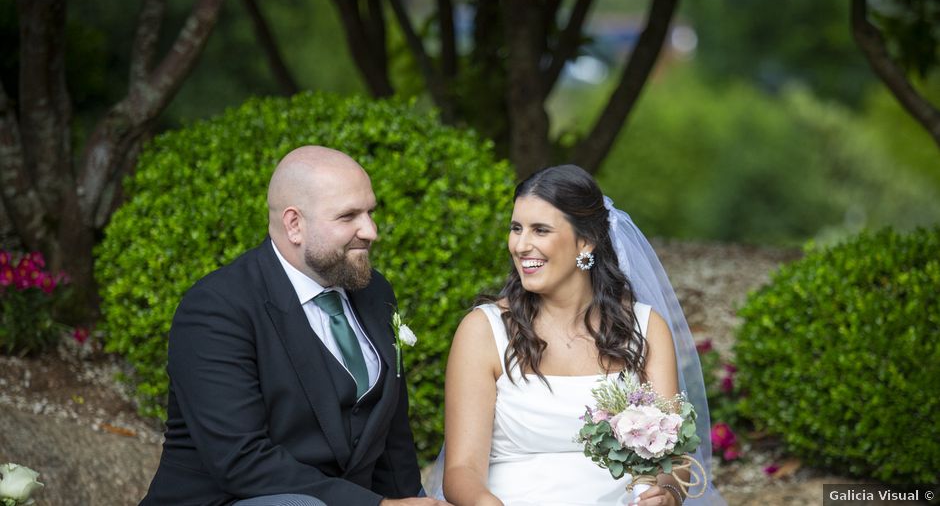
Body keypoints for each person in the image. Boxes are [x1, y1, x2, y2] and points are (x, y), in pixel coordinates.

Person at [141, 146, 450, 506]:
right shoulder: (217, 308)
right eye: (349, 216)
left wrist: (411, 498)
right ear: (294, 224)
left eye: (370, 212)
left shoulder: (374, 290)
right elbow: (242, 460)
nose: (371, 231)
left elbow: (389, 429)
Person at [437, 165, 723, 506]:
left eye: (540, 230)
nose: (521, 245)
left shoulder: (645, 329)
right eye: (516, 229)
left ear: (585, 242)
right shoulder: (484, 331)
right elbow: (460, 470)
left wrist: (667, 494)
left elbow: (674, 461)